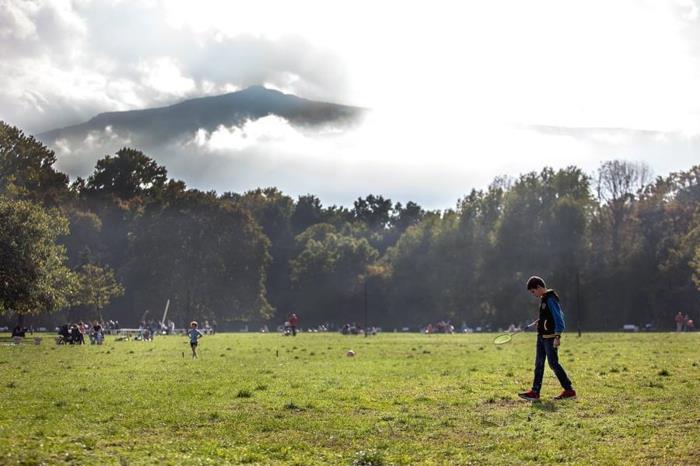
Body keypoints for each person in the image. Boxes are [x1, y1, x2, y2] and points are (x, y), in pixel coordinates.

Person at [519, 276, 576, 401]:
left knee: (553, 363)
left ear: (539, 287)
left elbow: (559, 317)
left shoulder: (550, 299)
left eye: (533, 291)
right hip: (541, 337)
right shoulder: (544, 299)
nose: (533, 294)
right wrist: (538, 322)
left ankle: (569, 390)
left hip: (550, 338)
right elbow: (548, 316)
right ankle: (535, 392)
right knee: (538, 364)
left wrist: (557, 336)